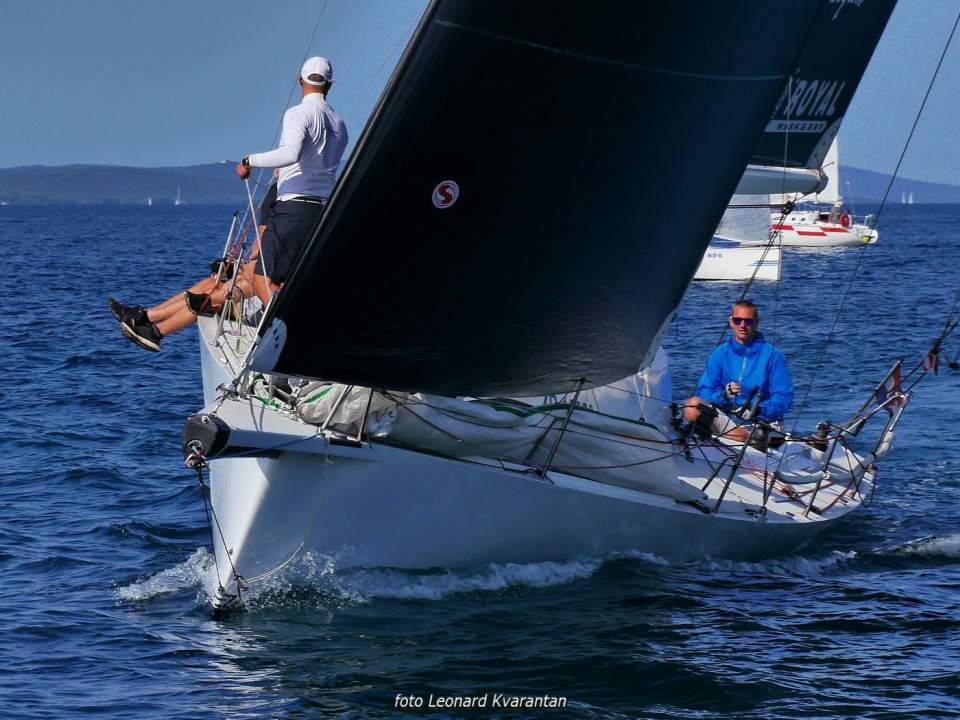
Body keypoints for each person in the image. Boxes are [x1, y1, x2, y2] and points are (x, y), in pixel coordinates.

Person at [118, 54, 347, 351]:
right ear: (330, 84)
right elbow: (313, 163)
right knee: (248, 279)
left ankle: (288, 340)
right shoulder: (340, 124)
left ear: (299, 80)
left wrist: (249, 161)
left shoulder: (298, 114)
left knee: (258, 278)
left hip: (294, 208)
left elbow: (290, 153)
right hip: (322, 209)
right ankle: (147, 320)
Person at [108, 183, 277, 351]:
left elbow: (258, 262)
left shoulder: (280, 195)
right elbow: (260, 259)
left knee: (208, 297)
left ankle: (155, 330)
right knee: (212, 284)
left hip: (263, 304)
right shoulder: (287, 204)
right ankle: (146, 318)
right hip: (259, 292)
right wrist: (235, 269)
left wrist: (236, 270)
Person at [683, 300, 793, 444]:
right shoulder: (720, 353)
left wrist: (757, 410)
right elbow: (704, 391)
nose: (742, 325)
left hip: (762, 424)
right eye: (738, 320)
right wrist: (724, 395)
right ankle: (730, 440)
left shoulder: (772, 355)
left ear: (756, 323)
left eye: (748, 321)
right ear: (731, 322)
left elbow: (784, 398)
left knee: (741, 433)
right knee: (691, 406)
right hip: (729, 420)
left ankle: (747, 442)